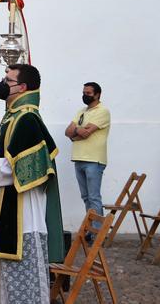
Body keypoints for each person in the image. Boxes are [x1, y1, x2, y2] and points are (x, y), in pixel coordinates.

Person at [0, 63, 63, 304]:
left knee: (22, 280)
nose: (3, 83)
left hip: (22, 214)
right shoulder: (13, 116)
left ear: (22, 87)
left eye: (8, 80)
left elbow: (29, 170)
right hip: (8, 206)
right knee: (4, 281)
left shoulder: (27, 119)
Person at [64, 82, 111, 231]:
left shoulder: (102, 111)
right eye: (84, 92)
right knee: (86, 198)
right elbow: (67, 132)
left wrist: (76, 130)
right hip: (79, 158)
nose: (85, 96)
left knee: (94, 198)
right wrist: (78, 130)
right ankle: (90, 231)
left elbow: (85, 133)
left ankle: (98, 233)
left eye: (88, 93)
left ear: (97, 95)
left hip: (94, 160)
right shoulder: (81, 111)